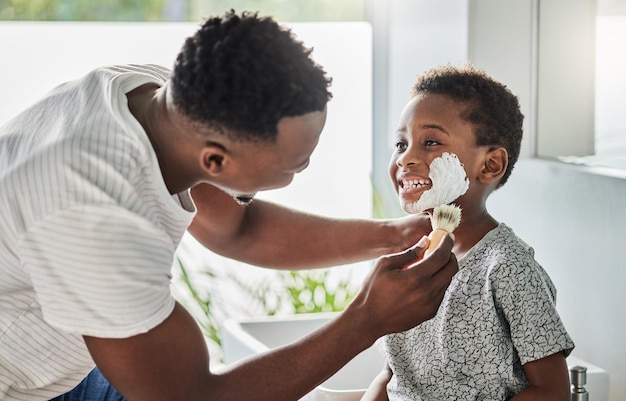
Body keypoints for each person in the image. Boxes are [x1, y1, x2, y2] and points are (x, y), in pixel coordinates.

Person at [0, 10, 459, 401]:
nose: (303, 169)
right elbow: (195, 396)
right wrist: (367, 320)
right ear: (216, 160)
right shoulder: (94, 218)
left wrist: (394, 234)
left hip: (71, 352)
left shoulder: (151, 96)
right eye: (295, 164)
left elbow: (239, 229)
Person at [361, 64, 575, 401]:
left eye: (430, 142)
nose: (406, 158)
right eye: (401, 144)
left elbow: (553, 391)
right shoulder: (408, 263)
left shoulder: (508, 268)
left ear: (490, 165)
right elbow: (392, 375)